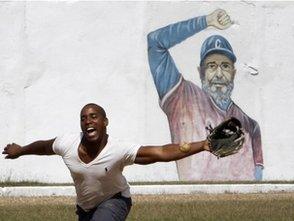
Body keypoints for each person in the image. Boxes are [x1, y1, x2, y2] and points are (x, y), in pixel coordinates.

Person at [2, 103, 212, 220]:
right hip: (85, 208)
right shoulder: (67, 143)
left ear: (105, 122)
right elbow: (44, 147)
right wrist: (20, 150)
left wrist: (203, 145)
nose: (88, 121)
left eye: (93, 116)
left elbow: (161, 152)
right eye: (83, 118)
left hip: (115, 200)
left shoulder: (118, 149)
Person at [146, 9, 264, 181]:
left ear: (234, 72)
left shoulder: (251, 126)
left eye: (225, 66)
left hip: (240, 205)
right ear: (200, 72)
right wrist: (205, 21)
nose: (218, 73)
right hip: (193, 203)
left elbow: (259, 182)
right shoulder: (181, 97)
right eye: (211, 66)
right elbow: (155, 42)